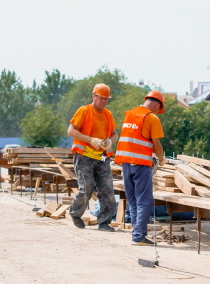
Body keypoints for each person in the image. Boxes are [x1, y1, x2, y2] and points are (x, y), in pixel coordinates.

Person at [114, 90, 166, 246]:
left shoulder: (129, 114)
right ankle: (138, 236)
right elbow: (156, 145)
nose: (158, 112)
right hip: (141, 164)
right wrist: (161, 159)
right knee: (145, 200)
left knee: (133, 200)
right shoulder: (151, 118)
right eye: (158, 109)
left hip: (126, 164)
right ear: (157, 105)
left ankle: (136, 234)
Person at [67, 83, 118, 232]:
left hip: (102, 158)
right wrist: (89, 139)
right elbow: (71, 131)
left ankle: (104, 222)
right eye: (100, 98)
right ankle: (76, 214)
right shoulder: (84, 111)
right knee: (87, 188)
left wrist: (110, 141)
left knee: (107, 189)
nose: (103, 101)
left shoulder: (108, 114)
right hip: (84, 157)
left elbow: (115, 134)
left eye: (106, 99)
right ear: (93, 96)